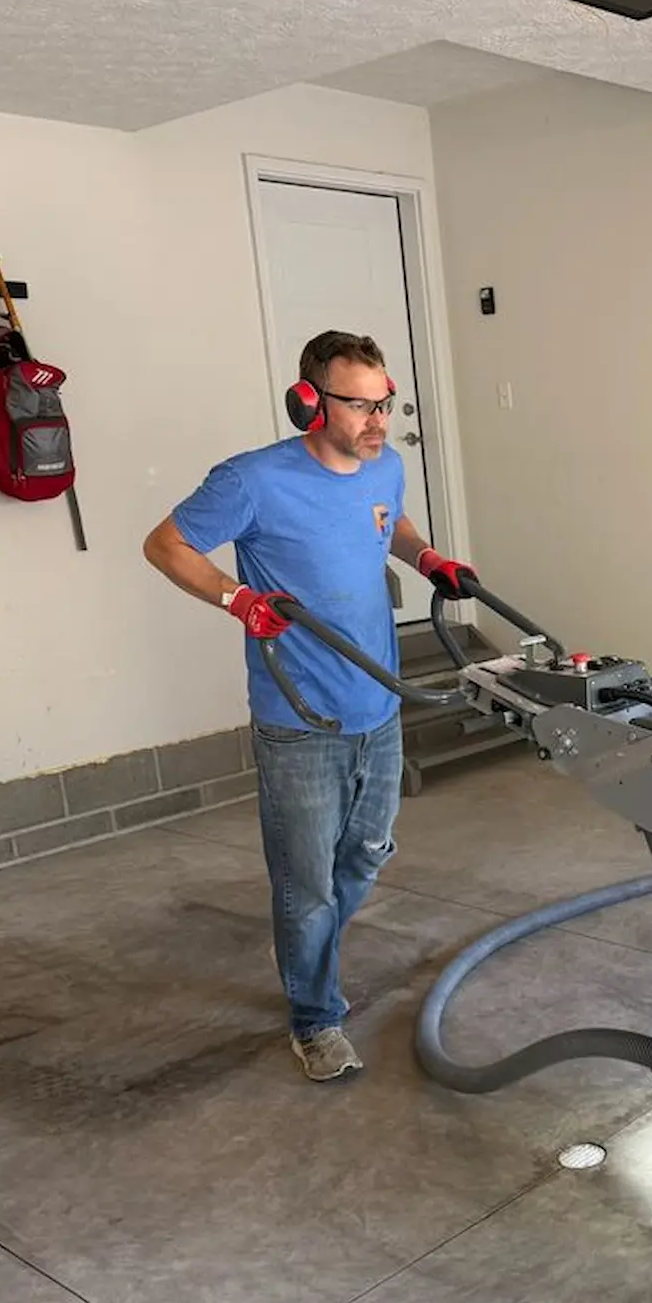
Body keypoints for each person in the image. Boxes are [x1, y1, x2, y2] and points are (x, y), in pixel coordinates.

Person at [143, 329, 471, 1082]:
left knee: (367, 854)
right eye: (361, 405)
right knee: (307, 883)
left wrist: (425, 557)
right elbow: (165, 545)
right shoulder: (252, 481)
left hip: (377, 704)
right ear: (308, 402)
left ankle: (300, 943)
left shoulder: (382, 465)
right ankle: (314, 1017)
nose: (379, 422)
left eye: (385, 403)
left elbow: (391, 519)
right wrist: (236, 597)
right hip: (299, 721)